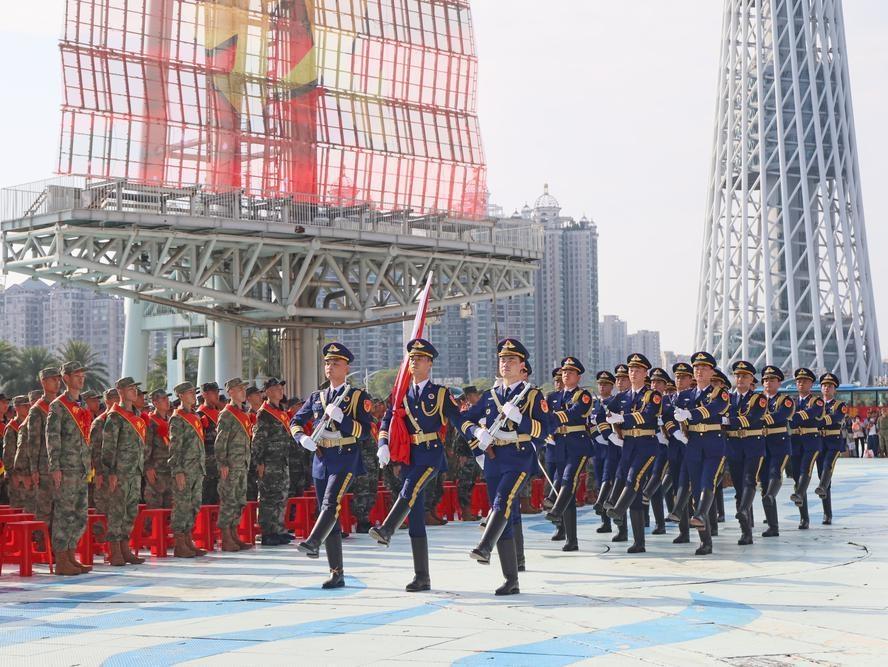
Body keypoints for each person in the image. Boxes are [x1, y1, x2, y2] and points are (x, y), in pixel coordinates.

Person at [370, 338, 468, 591]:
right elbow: (387, 421)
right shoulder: (401, 393)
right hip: (409, 455)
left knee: (410, 489)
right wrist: (382, 444)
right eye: (411, 358)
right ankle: (421, 576)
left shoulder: (440, 394)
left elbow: (458, 420)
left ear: (429, 363)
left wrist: (477, 440)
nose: (414, 362)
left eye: (419, 358)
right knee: (414, 516)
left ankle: (388, 528)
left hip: (431, 453)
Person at [463, 338, 549, 595]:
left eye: (511, 360)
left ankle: (484, 546)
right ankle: (511, 580)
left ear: (522, 364)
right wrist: (478, 432)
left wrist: (520, 418)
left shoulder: (532, 395)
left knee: (503, 500)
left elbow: (544, 431)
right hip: (493, 458)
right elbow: (464, 420)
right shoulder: (490, 396)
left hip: (519, 456)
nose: (506, 364)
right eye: (502, 359)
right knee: (505, 518)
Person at [291, 342, 373, 589]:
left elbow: (366, 432)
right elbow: (295, 420)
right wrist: (302, 438)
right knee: (330, 515)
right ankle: (336, 573)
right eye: (327, 362)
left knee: (330, 503)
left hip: (345, 455)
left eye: (335, 363)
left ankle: (314, 541)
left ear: (346, 367)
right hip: (321, 459)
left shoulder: (358, 397)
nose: (329, 367)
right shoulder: (317, 396)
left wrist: (343, 420)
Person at [672, 352, 728, 556]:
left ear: (712, 371)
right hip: (693, 444)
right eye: (696, 368)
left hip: (713, 443)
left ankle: (702, 519)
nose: (699, 371)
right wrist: (675, 428)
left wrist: (691, 414)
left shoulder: (719, 393)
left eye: (704, 368)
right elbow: (671, 412)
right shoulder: (686, 394)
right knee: (696, 491)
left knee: (707, 482)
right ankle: (706, 542)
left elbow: (715, 409)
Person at [605, 353, 661, 554]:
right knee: (632, 493)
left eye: (638, 370)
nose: (633, 373)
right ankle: (639, 542)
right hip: (627, 444)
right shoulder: (622, 397)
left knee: (633, 477)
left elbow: (646, 416)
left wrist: (622, 418)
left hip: (646, 444)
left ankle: (618, 510)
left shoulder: (651, 395)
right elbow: (605, 413)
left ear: (645, 373)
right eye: (631, 370)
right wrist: (611, 430)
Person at [45, 361, 93, 575]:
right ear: (65, 378)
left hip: (80, 468)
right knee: (64, 514)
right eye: (76, 375)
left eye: (82, 374)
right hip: (65, 468)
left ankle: (71, 554)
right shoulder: (58, 405)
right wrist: (55, 467)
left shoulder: (81, 406)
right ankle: (61, 559)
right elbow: (52, 439)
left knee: (80, 514)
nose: (81, 378)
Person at [545, 356, 595, 552]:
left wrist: (552, 418)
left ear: (578, 377)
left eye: (570, 372)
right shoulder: (553, 397)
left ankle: (556, 511)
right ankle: (570, 538)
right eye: (564, 372)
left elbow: (575, 413)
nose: (566, 375)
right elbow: (545, 417)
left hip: (577, 445)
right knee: (565, 491)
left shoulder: (583, 396)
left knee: (568, 479)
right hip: (557, 445)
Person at [101, 377, 147, 566]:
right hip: (119, 472)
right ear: (120, 391)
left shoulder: (136, 415)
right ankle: (114, 551)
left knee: (130, 511)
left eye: (135, 388)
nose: (134, 391)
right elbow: (108, 448)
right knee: (117, 511)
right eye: (130, 388)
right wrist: (110, 472)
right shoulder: (115, 416)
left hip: (134, 471)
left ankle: (125, 547)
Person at [16, 367, 62, 547]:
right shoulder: (37, 410)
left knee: (59, 509)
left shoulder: (59, 405)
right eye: (53, 379)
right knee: (44, 509)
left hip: (59, 466)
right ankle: (43, 547)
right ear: (44, 382)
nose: (57, 382)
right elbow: (32, 442)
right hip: (43, 468)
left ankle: (57, 548)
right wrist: (33, 469)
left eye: (58, 379)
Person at [723, 361, 768, 545]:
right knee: (739, 489)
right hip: (733, 445)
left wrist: (728, 420)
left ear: (751, 380)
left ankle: (743, 510)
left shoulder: (758, 398)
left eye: (744, 376)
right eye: (738, 375)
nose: (740, 379)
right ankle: (746, 531)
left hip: (753, 444)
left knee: (750, 480)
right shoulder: (727, 398)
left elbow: (752, 418)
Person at [252, 378, 293, 546]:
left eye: (281, 388)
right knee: (268, 497)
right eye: (276, 388)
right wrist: (259, 461)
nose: (280, 390)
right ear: (267, 392)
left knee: (281, 495)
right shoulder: (265, 413)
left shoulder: (280, 411)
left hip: (281, 461)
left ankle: (279, 528)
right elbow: (258, 440)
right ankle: (268, 532)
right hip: (269, 462)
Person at [168, 381, 207, 558]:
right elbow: (175, 448)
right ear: (181, 396)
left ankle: (188, 540)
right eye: (190, 393)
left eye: (194, 392)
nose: (194, 395)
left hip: (197, 469)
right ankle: (179, 544)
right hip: (184, 469)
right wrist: (178, 471)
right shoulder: (177, 418)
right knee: (182, 506)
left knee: (194, 506)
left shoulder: (195, 416)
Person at [215, 378, 254, 551]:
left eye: (244, 389)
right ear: (230, 392)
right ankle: (226, 537)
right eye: (239, 389)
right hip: (230, 465)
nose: (243, 392)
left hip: (242, 463)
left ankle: (234, 533)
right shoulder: (227, 414)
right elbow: (220, 441)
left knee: (239, 500)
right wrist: (222, 462)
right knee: (229, 500)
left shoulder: (243, 413)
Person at [595, 364, 631, 543]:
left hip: (633, 447)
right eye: (618, 379)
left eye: (623, 378)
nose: (620, 382)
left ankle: (629, 530)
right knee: (607, 481)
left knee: (628, 488)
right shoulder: (613, 401)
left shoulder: (638, 398)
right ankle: (618, 526)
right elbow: (600, 418)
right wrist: (609, 435)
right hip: (612, 448)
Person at [759, 366, 795, 537]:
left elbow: (781, 416)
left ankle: (771, 495)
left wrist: (757, 418)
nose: (768, 383)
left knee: (775, 473)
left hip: (780, 444)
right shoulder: (757, 400)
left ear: (779, 383)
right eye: (765, 380)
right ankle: (773, 526)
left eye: (772, 380)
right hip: (761, 444)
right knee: (764, 483)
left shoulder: (785, 400)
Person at [789, 368, 824, 529]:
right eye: (798, 381)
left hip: (811, 441)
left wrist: (789, 416)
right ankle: (804, 517)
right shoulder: (792, 402)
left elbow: (810, 414)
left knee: (805, 470)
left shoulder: (816, 401)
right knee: (797, 477)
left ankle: (799, 498)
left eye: (804, 381)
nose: (800, 383)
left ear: (811, 384)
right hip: (795, 441)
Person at [641, 367, 672, 536]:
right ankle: (654, 521)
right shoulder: (645, 400)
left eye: (659, 382)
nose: (654, 385)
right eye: (652, 381)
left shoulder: (667, 401)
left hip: (664, 446)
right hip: (648, 445)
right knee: (655, 487)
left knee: (655, 479)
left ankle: (660, 522)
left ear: (665, 385)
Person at [816, 373, 848, 524]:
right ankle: (827, 513)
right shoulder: (815, 404)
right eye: (824, 385)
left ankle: (822, 489)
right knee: (822, 477)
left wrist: (819, 420)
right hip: (818, 442)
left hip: (833, 442)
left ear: (834, 389)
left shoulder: (839, 405)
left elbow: (836, 418)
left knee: (828, 466)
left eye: (829, 386)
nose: (826, 388)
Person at [589, 370, 616, 535]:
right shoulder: (594, 404)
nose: (602, 386)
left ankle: (619, 523)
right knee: (600, 483)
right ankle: (605, 522)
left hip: (611, 447)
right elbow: (589, 423)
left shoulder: (614, 401)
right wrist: (596, 436)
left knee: (609, 482)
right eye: (600, 383)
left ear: (611, 386)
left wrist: (608, 437)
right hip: (597, 448)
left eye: (605, 384)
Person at [89, 388, 119, 517]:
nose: (118, 401)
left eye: (119, 398)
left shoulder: (123, 420)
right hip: (105, 473)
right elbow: (95, 450)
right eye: (114, 398)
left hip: (121, 472)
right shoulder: (100, 422)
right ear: (107, 401)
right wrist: (99, 473)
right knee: (103, 508)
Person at [144, 388, 173, 512]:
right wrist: (148, 467)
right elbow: (146, 447)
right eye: (164, 399)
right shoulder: (150, 422)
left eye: (167, 398)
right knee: (155, 508)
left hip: (170, 470)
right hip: (156, 471)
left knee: (169, 509)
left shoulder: (171, 420)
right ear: (155, 403)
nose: (167, 401)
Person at [3, 396, 30, 510]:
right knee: (18, 508)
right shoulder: (12, 428)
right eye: (25, 406)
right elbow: (8, 455)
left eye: (29, 405)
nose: (29, 407)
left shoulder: (29, 425)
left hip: (28, 475)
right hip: (17, 478)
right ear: (17, 408)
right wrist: (13, 474)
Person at [197, 382, 223, 503]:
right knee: (207, 499)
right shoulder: (199, 415)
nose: (217, 395)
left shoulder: (222, 414)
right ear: (205, 395)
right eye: (214, 392)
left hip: (220, 463)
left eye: (218, 392)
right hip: (207, 465)